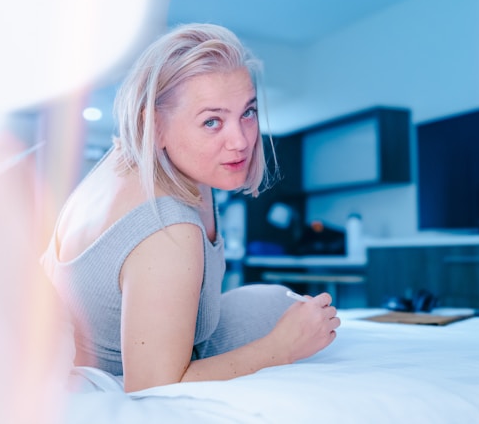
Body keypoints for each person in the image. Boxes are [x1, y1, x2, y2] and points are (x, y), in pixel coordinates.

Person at [41, 23, 340, 393]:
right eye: (212, 121)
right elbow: (152, 385)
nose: (241, 140)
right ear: (154, 126)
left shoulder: (133, 165)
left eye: (247, 112)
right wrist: (283, 346)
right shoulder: (166, 227)